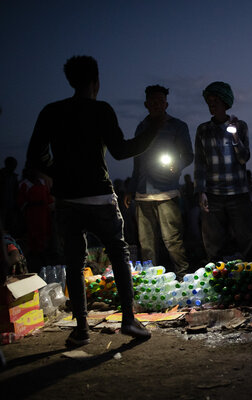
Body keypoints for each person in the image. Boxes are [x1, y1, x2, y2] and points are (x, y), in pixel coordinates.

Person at [25, 55, 158, 346]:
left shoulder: (51, 111)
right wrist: (152, 133)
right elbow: (121, 151)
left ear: (71, 81)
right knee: (119, 254)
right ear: (96, 82)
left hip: (67, 200)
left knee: (74, 262)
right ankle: (129, 320)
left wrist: (55, 173)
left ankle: (82, 328)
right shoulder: (101, 110)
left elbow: (35, 154)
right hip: (99, 196)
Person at [124, 85, 192, 278]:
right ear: (146, 104)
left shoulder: (178, 126)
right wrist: (131, 188)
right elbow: (137, 161)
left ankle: (183, 277)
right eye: (152, 101)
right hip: (142, 194)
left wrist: (176, 165)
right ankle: (152, 282)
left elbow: (187, 155)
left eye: (160, 101)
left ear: (166, 104)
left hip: (167, 191)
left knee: (173, 240)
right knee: (146, 244)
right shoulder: (141, 127)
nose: (156, 105)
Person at [194, 81, 252, 262]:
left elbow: (244, 158)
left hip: (238, 193)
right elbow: (199, 162)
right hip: (213, 195)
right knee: (213, 243)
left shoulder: (240, 126)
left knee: (247, 238)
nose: (211, 104)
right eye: (209, 101)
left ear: (225, 102)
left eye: (215, 100)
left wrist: (235, 136)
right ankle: (217, 277)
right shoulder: (203, 130)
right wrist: (201, 191)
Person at [17, 167, 55, 273]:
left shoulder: (43, 182)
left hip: (44, 212)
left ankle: (44, 254)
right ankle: (36, 256)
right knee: (34, 233)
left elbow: (48, 197)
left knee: (46, 232)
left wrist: (51, 208)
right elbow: (21, 201)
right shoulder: (24, 184)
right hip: (32, 213)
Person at [0, 156, 20, 236]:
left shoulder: (14, 177)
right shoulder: (2, 175)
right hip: (2, 205)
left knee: (9, 225)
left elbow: (16, 191)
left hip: (10, 205)